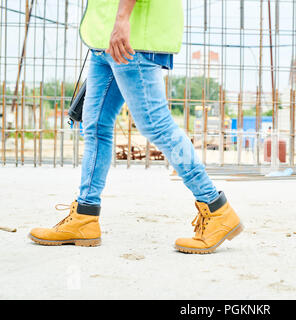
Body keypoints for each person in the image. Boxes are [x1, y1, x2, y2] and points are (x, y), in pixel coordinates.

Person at [28, 0, 243, 254]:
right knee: (95, 126)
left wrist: (122, 18)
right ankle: (84, 217)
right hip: (105, 39)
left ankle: (216, 208)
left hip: (132, 37)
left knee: (156, 125)